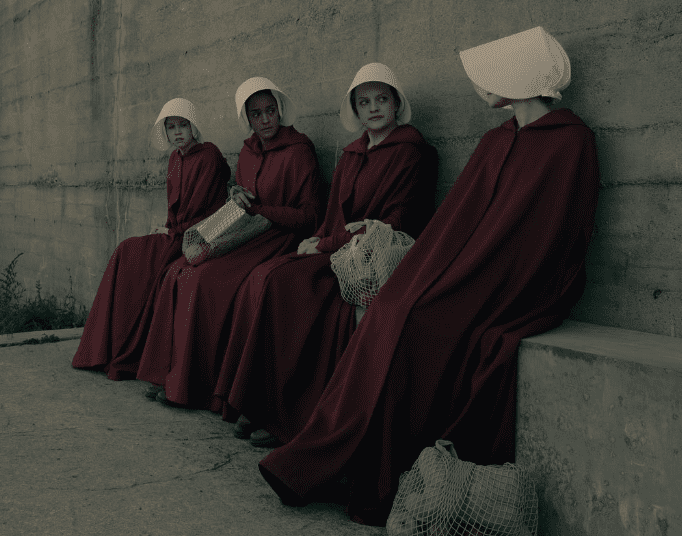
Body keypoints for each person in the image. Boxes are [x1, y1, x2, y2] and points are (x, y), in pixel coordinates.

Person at [258, 27, 600, 525]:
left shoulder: (571, 142)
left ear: (524, 77)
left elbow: (558, 233)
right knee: (393, 308)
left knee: (420, 324)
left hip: (516, 282)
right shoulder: (495, 139)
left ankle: (376, 476)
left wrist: (483, 278)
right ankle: (330, 455)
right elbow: (455, 223)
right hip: (462, 270)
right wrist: (425, 272)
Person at [214, 63, 439, 448]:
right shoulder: (352, 153)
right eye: (363, 101)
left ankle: (289, 415)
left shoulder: (412, 151)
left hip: (374, 255)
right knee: (273, 275)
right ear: (354, 108)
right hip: (339, 247)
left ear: (396, 103)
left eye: (382, 99)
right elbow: (335, 212)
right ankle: (264, 402)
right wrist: (318, 238)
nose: (373, 108)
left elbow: (399, 219)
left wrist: (325, 244)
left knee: (290, 286)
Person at [137, 78, 321, 409]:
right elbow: (241, 191)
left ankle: (194, 386)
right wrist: (236, 193)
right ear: (246, 118)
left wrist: (259, 209)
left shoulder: (300, 150)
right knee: (180, 270)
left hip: (279, 238)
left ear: (279, 111)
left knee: (204, 280)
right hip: (244, 232)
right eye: (256, 114)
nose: (265, 120)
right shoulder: (249, 151)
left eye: (270, 111)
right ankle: (168, 374)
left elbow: (309, 216)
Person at [72, 98, 231, 380]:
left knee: (150, 267)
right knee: (126, 250)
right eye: (171, 127)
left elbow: (202, 208)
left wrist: (175, 232)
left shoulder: (209, 155)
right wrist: (168, 228)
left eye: (183, 125)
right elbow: (173, 205)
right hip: (175, 232)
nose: (178, 132)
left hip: (200, 235)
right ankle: (103, 350)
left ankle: (129, 351)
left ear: (194, 126)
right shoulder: (174, 159)